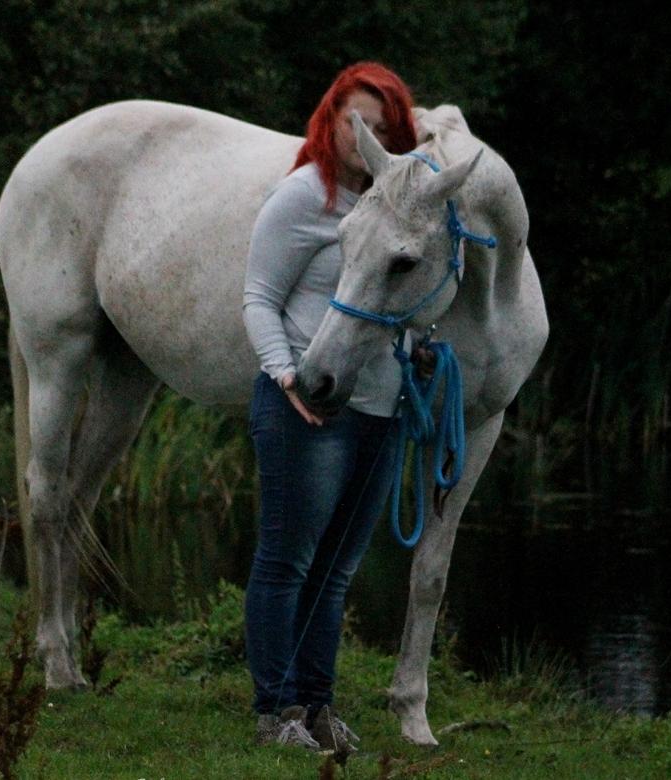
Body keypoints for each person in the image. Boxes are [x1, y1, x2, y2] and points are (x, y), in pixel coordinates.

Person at [241, 62, 418, 754]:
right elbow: (257, 296)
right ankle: (274, 711)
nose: (364, 137)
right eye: (355, 122)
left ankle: (317, 704)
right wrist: (285, 376)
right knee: (287, 560)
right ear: (331, 120)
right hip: (307, 406)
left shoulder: (397, 208)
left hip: (380, 407)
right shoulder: (301, 198)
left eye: (380, 126)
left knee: (338, 568)